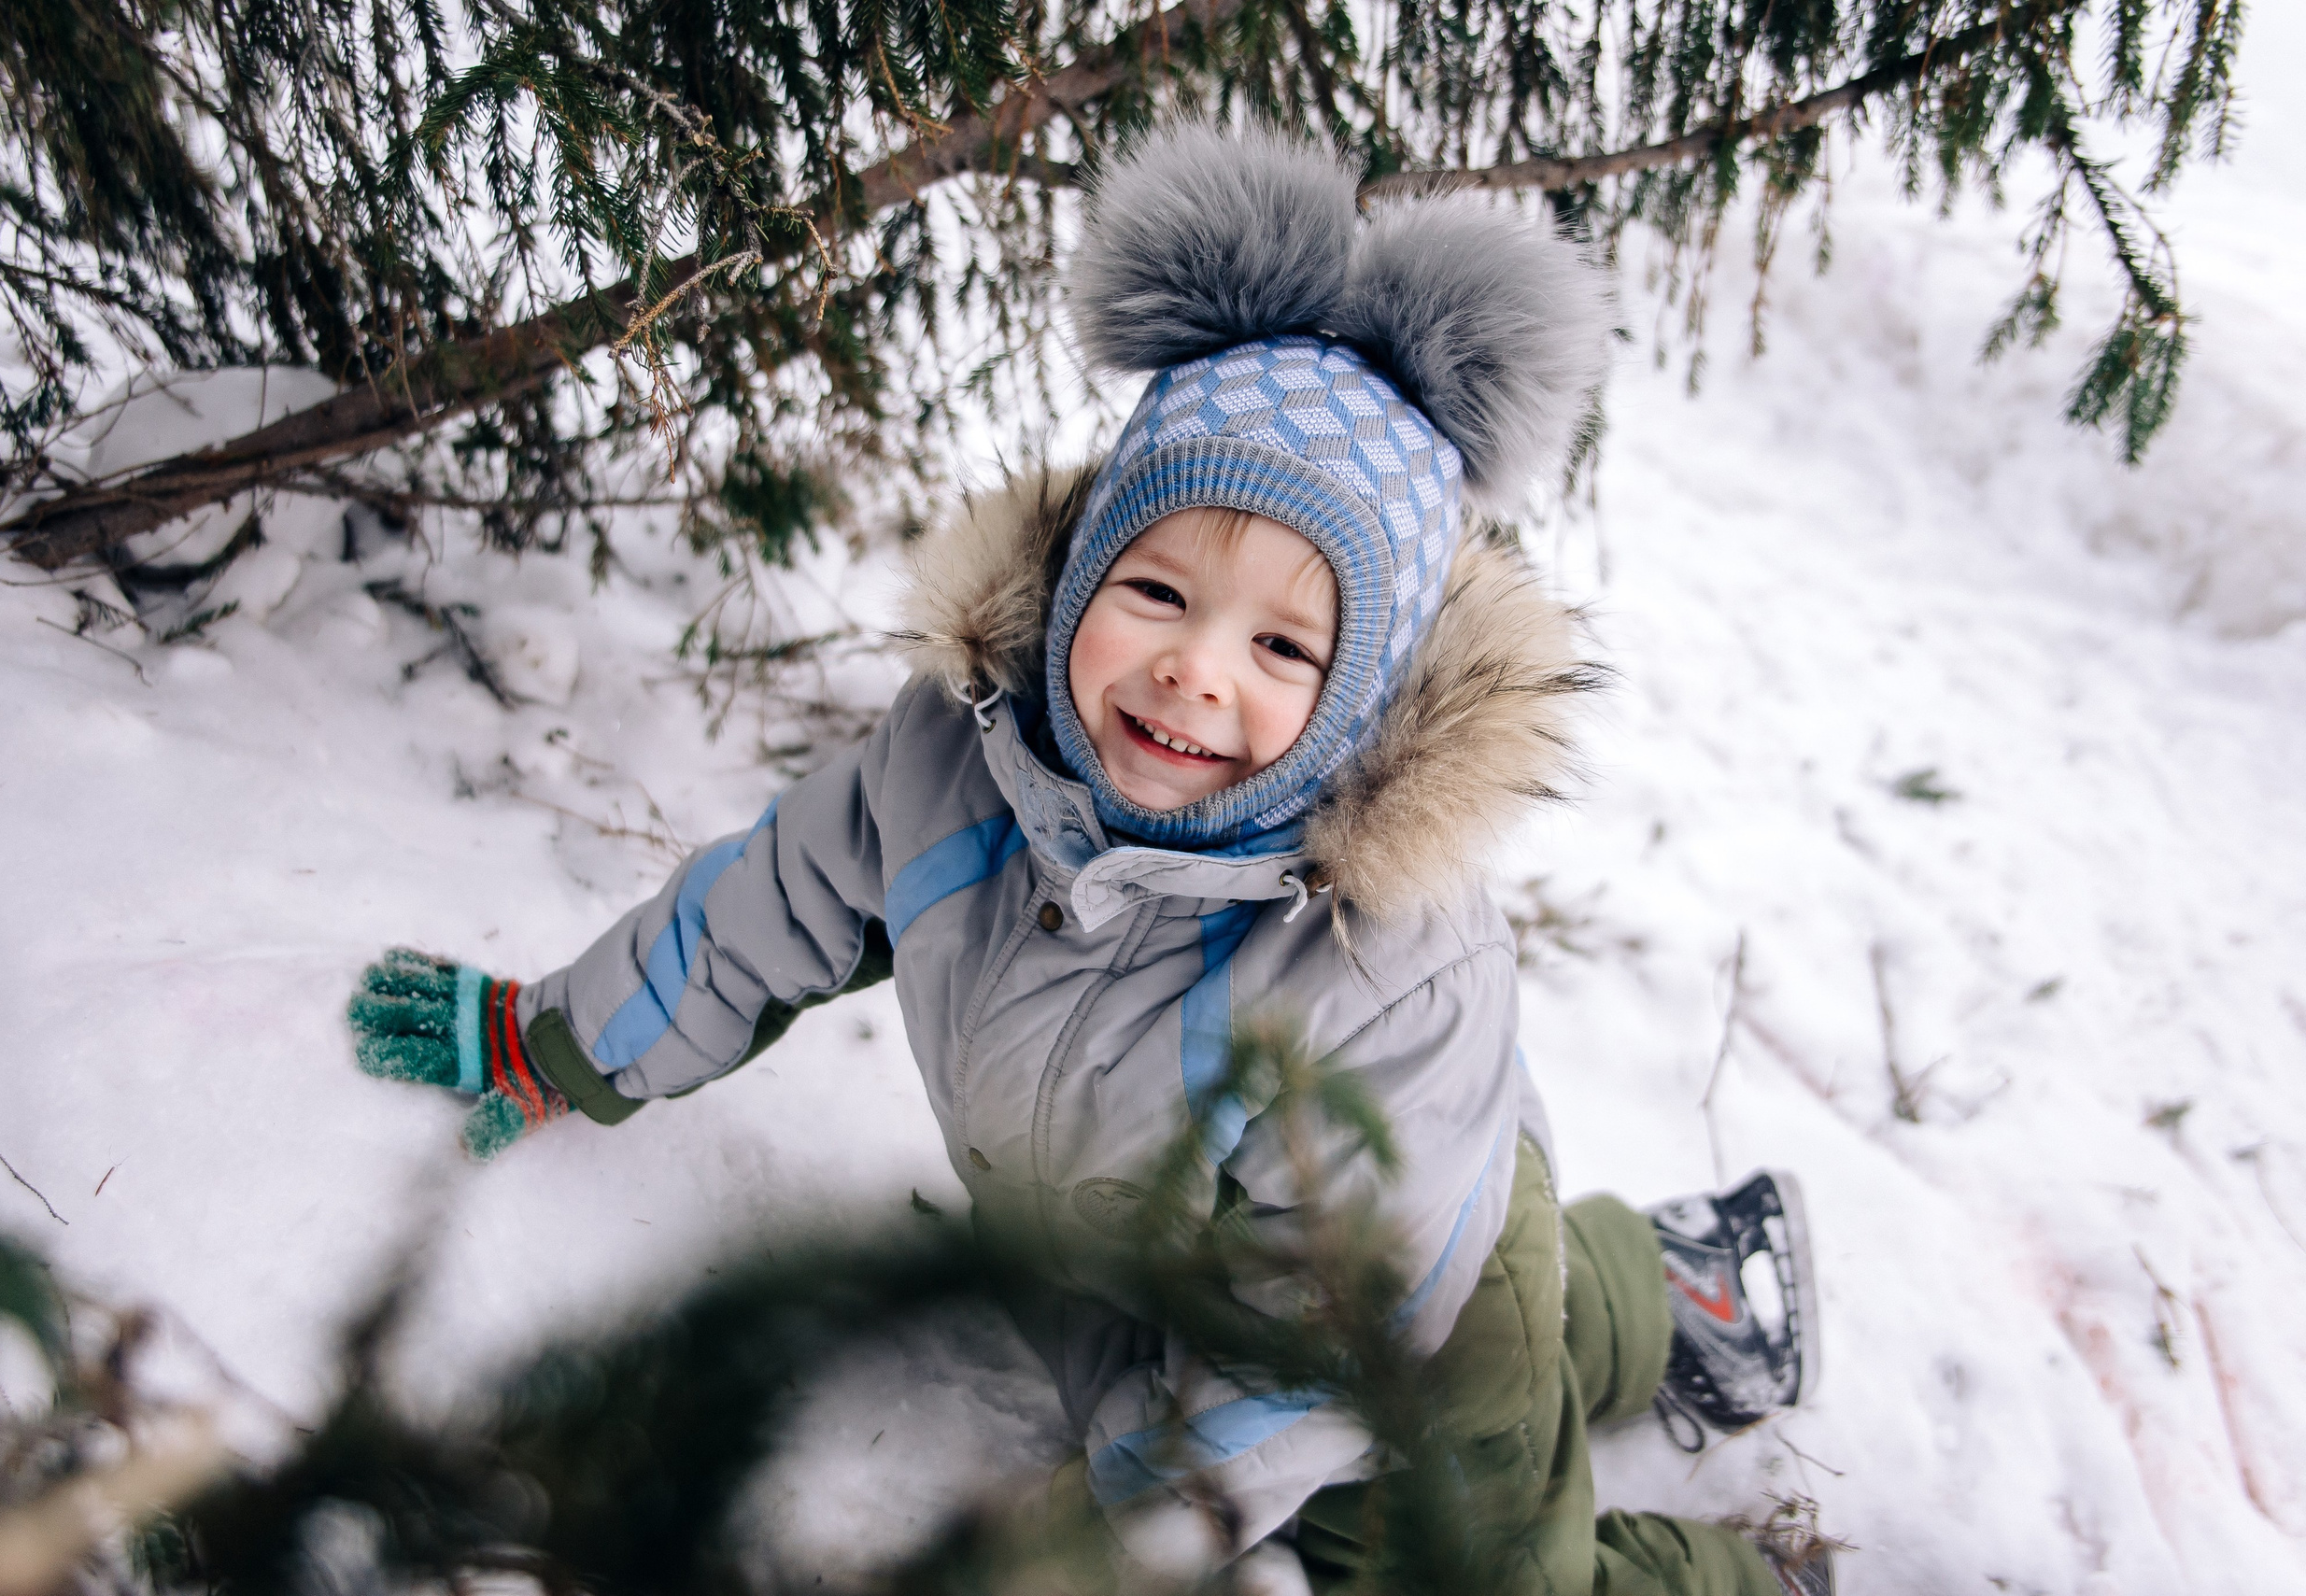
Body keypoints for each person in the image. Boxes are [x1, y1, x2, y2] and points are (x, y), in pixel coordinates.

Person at [347, 121, 1832, 1596]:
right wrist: (557, 1038)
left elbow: (1312, 1353)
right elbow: (765, 905)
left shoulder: (1381, 971)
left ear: (1364, 693)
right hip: (1180, 1278)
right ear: (1077, 580)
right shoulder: (956, 760)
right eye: (1159, 589)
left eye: (1280, 643)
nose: (1194, 670)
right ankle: (1676, 1282)